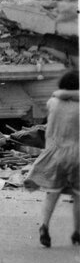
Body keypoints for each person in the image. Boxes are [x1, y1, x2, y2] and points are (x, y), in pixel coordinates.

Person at [23, 70, 79, 248]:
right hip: (76, 154)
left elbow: (58, 95)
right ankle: (77, 232)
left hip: (54, 153)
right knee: (78, 195)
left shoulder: (52, 102)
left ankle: (44, 226)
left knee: (52, 193)